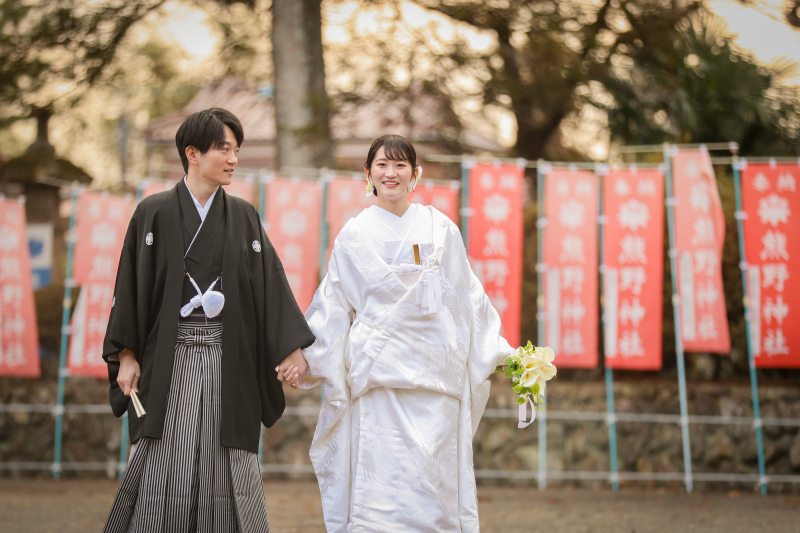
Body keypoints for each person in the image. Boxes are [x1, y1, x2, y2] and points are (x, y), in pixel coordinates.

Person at [101, 107, 314, 532]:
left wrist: (292, 349)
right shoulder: (153, 213)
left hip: (227, 358)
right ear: (192, 153)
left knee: (229, 460)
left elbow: (269, 287)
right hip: (169, 358)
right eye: (223, 149)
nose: (233, 159)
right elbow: (130, 288)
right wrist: (126, 354)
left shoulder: (243, 216)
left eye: (236, 150)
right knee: (165, 457)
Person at [297, 134, 515, 531]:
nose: (391, 173)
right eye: (382, 164)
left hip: (435, 387)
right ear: (368, 174)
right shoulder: (354, 236)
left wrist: (503, 353)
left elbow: (468, 300)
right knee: (380, 498)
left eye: (400, 165)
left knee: (435, 495)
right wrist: (303, 356)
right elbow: (332, 306)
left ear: (415, 174)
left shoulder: (442, 230)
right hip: (379, 383)